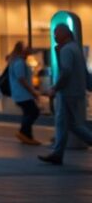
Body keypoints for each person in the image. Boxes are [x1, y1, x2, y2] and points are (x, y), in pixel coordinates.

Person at [38, 24, 92, 165]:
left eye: (56, 33)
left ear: (64, 34)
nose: (54, 36)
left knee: (67, 123)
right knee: (69, 124)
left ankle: (57, 153)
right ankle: (57, 153)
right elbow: (82, 71)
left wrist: (55, 88)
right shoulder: (75, 48)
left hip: (67, 91)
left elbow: (66, 71)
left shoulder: (67, 50)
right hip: (76, 91)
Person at [7, 41, 41, 146]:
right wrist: (33, 91)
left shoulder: (18, 61)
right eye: (26, 47)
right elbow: (21, 79)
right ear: (21, 49)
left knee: (28, 113)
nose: (28, 48)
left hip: (21, 94)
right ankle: (23, 132)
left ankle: (28, 136)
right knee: (34, 112)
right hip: (23, 94)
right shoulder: (19, 62)